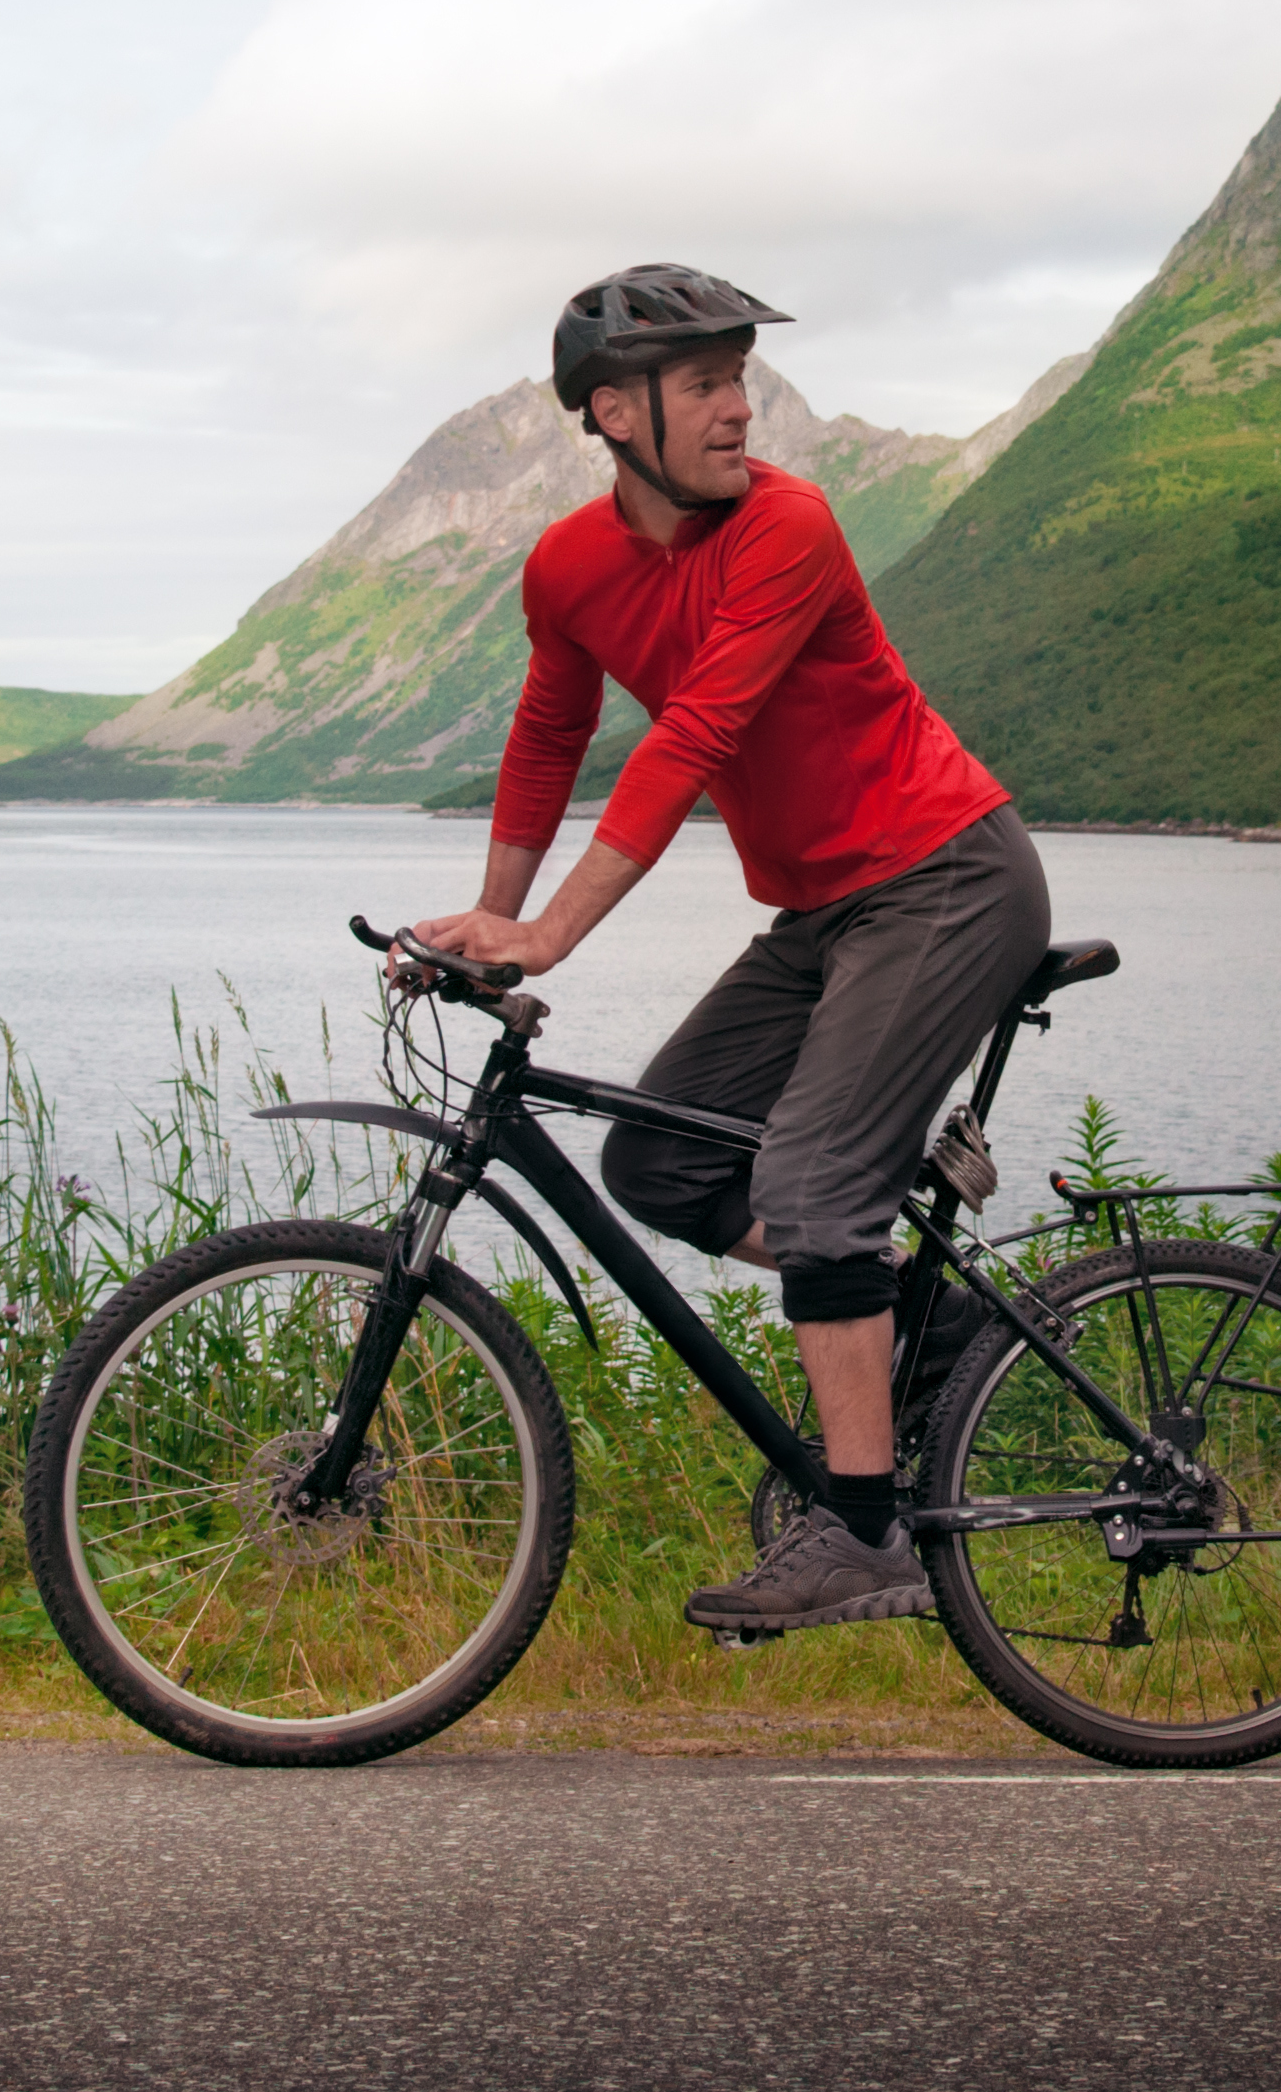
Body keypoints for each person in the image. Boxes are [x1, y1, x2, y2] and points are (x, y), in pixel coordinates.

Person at [413, 265, 1051, 1637]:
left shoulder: (789, 528)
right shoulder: (568, 567)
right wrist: (490, 922)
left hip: (944, 877)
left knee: (816, 1184)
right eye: (706, 383)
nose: (740, 409)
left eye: (738, 380)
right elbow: (547, 738)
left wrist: (551, 934)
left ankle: (868, 1538)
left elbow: (693, 734)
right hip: (826, 911)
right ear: (614, 413)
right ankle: (927, 1319)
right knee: (660, 1163)